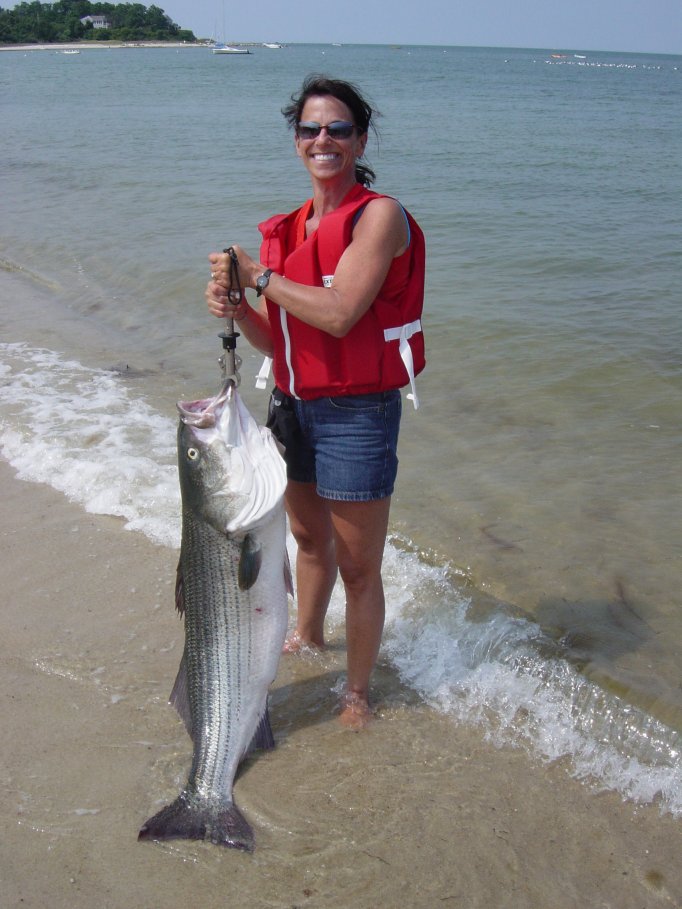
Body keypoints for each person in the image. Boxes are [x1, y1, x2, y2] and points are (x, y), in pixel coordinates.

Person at [205, 75, 425, 730]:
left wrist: (261, 277)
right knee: (306, 536)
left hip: (358, 412)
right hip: (293, 402)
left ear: (359, 139)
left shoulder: (378, 217)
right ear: (296, 140)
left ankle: (357, 690)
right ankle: (309, 635)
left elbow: (339, 313)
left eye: (337, 128)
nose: (322, 139)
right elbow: (283, 337)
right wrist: (240, 307)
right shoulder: (294, 226)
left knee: (359, 564)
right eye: (309, 128)